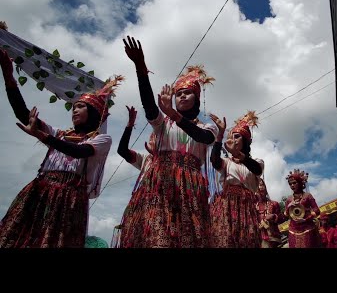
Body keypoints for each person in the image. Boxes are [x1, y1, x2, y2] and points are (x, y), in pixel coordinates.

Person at [0, 48, 119, 248]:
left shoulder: (102, 139)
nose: (75, 110)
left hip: (68, 199)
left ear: (93, 113)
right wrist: (8, 76)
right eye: (73, 107)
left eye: (80, 107)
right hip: (40, 191)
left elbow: (78, 152)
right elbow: (23, 114)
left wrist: (43, 137)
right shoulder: (60, 134)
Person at [118, 36, 217, 248]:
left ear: (197, 99)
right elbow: (149, 106)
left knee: (187, 237)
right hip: (160, 182)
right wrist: (140, 68)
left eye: (187, 93)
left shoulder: (207, 126)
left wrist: (173, 113)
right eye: (178, 93)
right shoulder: (164, 124)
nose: (181, 97)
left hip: (190, 186)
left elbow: (203, 138)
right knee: (153, 234)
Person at [209, 111, 263, 248]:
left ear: (245, 140)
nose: (233, 140)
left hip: (248, 208)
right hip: (227, 207)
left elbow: (257, 170)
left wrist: (238, 154)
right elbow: (214, 161)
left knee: (248, 242)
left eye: (237, 137)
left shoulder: (257, 162)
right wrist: (220, 135)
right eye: (232, 137)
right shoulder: (226, 162)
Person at [284, 169, 321, 248]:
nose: (292, 185)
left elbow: (317, 211)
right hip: (293, 230)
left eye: (294, 183)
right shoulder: (289, 199)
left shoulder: (307, 196)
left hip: (308, 228)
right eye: (290, 184)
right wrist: (289, 206)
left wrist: (306, 219)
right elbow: (286, 215)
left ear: (300, 183)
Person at [255, 178, 284, 248]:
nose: (260, 187)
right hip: (257, 239)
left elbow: (282, 218)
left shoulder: (274, 204)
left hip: (273, 239)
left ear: (265, 187)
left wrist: (274, 216)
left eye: (261, 185)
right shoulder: (251, 207)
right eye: (257, 185)